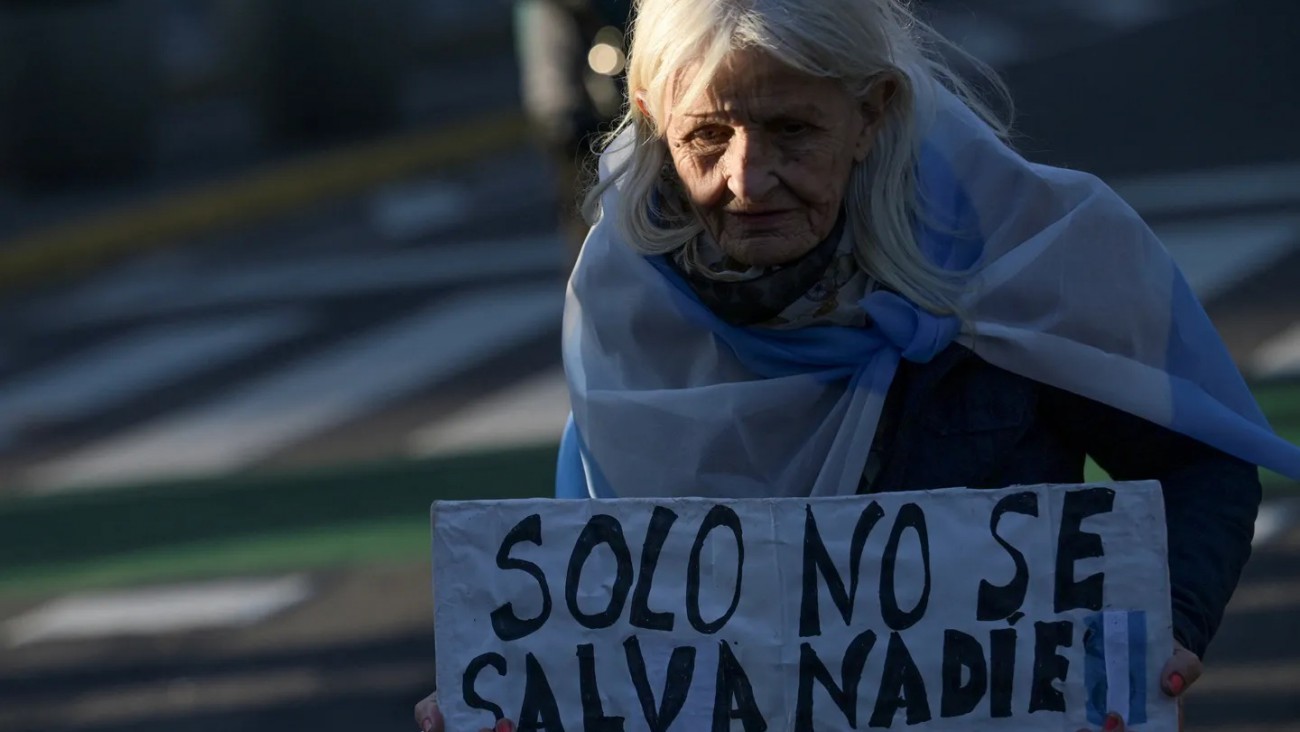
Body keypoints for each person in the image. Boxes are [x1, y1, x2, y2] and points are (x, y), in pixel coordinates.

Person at [419, 0, 1300, 730]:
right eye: (707, 138)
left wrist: (1165, 627)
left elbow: (1198, 460)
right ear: (651, 122)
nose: (748, 179)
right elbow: (614, 612)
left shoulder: (1021, 252)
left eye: (792, 131)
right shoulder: (622, 307)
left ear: (873, 111)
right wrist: (507, 688)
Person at [512, 0, 633, 259]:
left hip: (592, 121)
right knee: (589, 227)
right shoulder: (548, 10)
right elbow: (551, 89)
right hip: (577, 129)